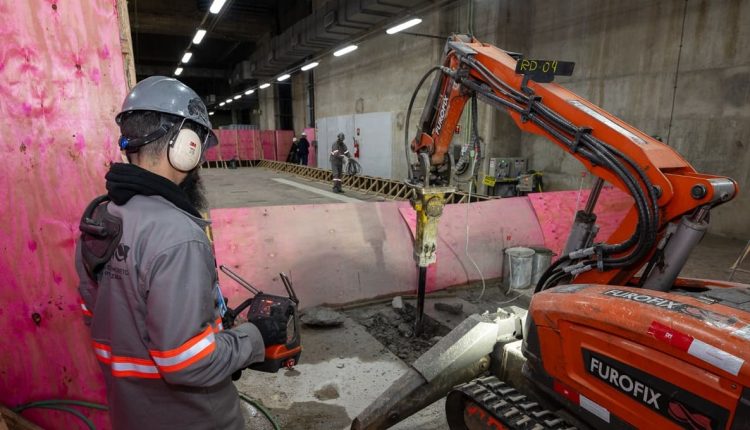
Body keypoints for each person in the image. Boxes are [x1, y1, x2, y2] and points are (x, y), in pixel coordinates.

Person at [75, 76, 268, 430]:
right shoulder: (178, 236)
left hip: (129, 412)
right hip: (193, 418)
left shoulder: (101, 218)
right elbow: (187, 362)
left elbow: (96, 316)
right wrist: (254, 338)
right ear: (187, 145)